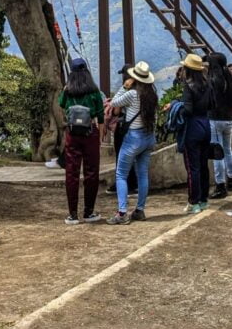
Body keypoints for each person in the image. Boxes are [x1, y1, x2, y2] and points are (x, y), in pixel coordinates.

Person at [106, 61, 158, 224]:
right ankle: (139, 210)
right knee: (142, 174)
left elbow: (114, 102)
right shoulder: (152, 95)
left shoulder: (132, 94)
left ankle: (122, 213)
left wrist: (125, 86)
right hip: (148, 137)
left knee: (121, 174)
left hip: (133, 138)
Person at [58, 57, 105, 224]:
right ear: (86, 71)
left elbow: (61, 104)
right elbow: (100, 115)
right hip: (90, 134)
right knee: (91, 172)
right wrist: (100, 136)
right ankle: (89, 212)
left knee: (72, 173)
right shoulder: (94, 91)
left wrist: (65, 89)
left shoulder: (68, 91)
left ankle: (72, 215)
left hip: (72, 134)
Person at [178, 53, 212, 214]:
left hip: (192, 127)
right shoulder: (207, 84)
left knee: (193, 168)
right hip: (206, 125)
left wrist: (176, 107)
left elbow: (188, 109)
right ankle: (204, 199)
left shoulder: (188, 86)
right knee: (203, 164)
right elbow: (212, 104)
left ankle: (194, 202)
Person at [207, 53, 232, 199]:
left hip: (215, 118)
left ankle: (220, 186)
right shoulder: (231, 78)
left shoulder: (212, 80)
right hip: (229, 118)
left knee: (217, 152)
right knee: (227, 149)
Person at [104, 64, 138, 195]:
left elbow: (116, 106)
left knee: (121, 156)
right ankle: (134, 184)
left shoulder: (128, 91)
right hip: (138, 129)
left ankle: (123, 185)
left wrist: (123, 88)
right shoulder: (142, 90)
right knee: (134, 158)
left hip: (124, 127)